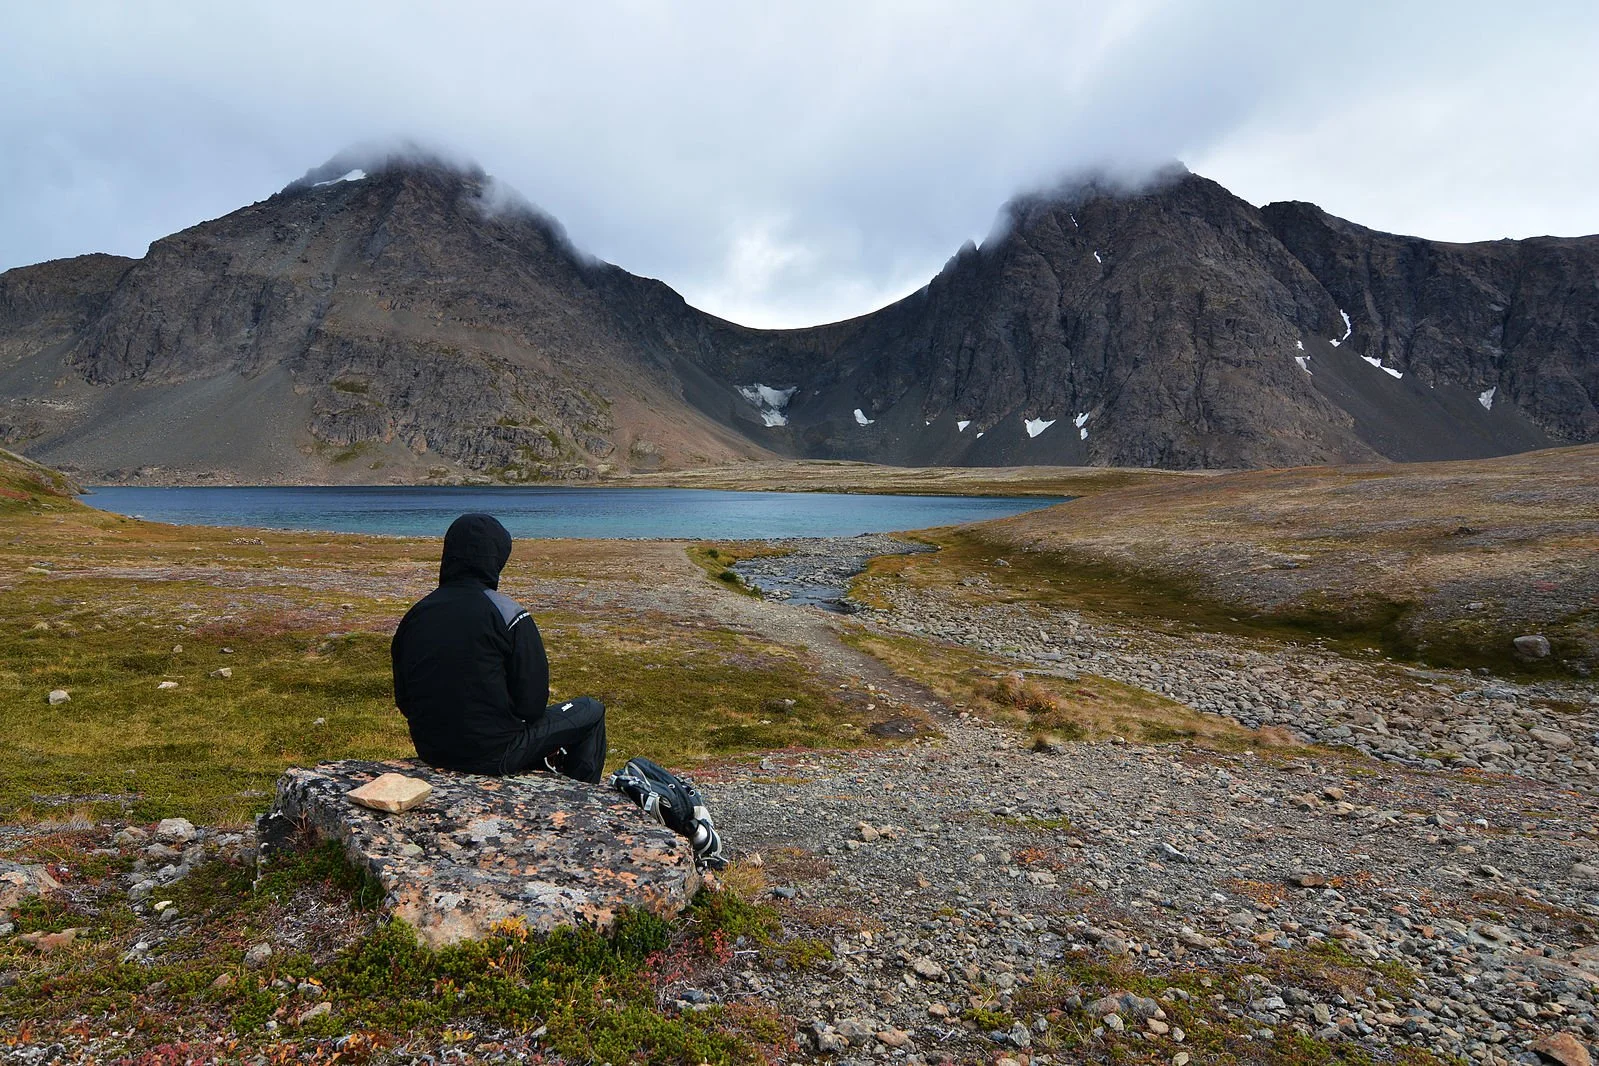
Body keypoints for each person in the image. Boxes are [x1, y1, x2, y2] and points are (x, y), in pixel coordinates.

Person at [391, 512, 608, 783]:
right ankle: (581, 796)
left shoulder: (415, 615)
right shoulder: (508, 614)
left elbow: (404, 699)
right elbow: (531, 706)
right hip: (495, 753)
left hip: (431, 750)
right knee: (590, 709)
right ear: (496, 558)